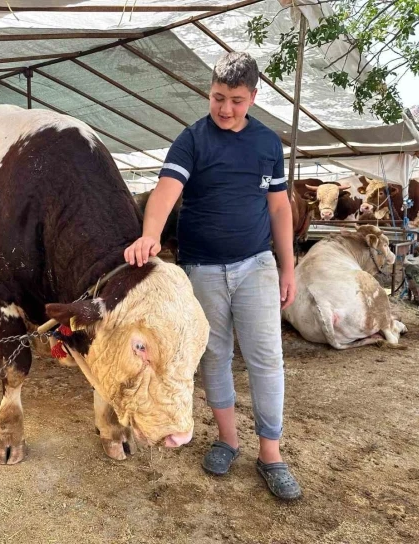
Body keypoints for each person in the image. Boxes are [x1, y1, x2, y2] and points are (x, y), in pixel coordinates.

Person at [124, 51, 301, 500]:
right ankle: (227, 440)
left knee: (266, 359)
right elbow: (166, 191)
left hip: (256, 265)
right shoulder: (192, 140)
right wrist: (150, 235)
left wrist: (288, 265)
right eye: (219, 98)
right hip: (201, 269)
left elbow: (279, 206)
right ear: (209, 92)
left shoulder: (267, 144)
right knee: (214, 356)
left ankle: (271, 455)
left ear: (254, 97)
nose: (226, 109)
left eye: (237, 101)